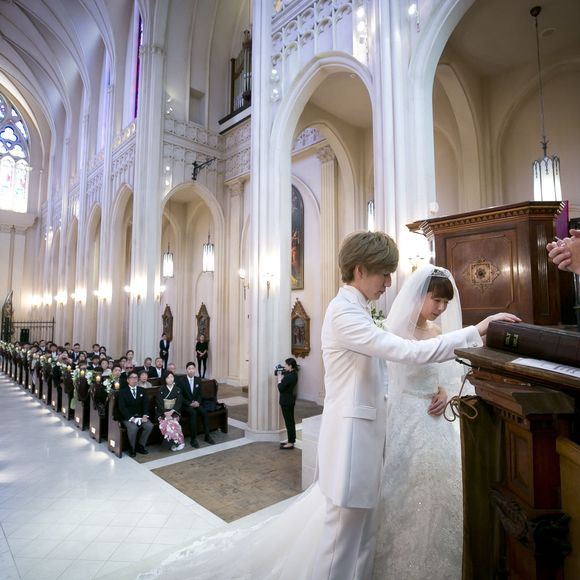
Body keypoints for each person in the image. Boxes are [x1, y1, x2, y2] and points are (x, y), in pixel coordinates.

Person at [139, 231, 519, 580]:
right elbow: (406, 351)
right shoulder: (344, 313)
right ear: (360, 270)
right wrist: (476, 330)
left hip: (367, 439)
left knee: (360, 539)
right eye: (384, 274)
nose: (389, 283)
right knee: (339, 545)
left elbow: (386, 373)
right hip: (352, 443)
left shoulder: (359, 309)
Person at [372, 264, 468, 579]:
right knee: (406, 489)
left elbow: (444, 375)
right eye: (436, 300)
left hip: (436, 420)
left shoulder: (437, 333)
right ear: (419, 295)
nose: (440, 308)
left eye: (445, 302)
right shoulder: (394, 332)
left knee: (442, 489)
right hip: (407, 416)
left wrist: (444, 392)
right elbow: (388, 378)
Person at [177, 361, 215, 448]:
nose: (191, 370)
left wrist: (198, 402)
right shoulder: (181, 381)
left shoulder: (198, 379)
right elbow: (180, 396)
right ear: (186, 370)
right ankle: (193, 439)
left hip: (196, 404)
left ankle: (207, 436)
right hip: (186, 405)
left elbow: (200, 394)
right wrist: (189, 404)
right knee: (193, 413)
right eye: (189, 369)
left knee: (204, 412)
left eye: (193, 369)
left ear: (195, 370)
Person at [118, 371, 153, 457]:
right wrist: (131, 418)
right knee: (133, 428)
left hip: (140, 416)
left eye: (136, 378)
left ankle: (141, 445)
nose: (134, 380)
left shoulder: (142, 390)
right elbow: (122, 408)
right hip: (128, 417)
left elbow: (145, 404)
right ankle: (132, 448)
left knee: (149, 426)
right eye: (132, 378)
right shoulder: (122, 392)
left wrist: (145, 415)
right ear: (128, 380)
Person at [156, 371, 185, 451]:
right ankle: (174, 443)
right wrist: (165, 413)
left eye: (171, 377)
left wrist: (171, 412)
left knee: (173, 423)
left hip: (174, 412)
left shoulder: (178, 390)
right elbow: (159, 403)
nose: (170, 379)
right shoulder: (161, 390)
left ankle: (178, 442)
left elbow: (179, 402)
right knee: (167, 424)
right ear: (165, 379)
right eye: (168, 377)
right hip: (163, 412)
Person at [277, 358, 299, 450]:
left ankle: (290, 443)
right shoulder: (293, 373)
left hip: (286, 402)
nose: (284, 366)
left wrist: (279, 379)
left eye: (286, 364)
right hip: (290, 400)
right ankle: (291, 440)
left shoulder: (289, 376)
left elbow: (281, 388)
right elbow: (285, 374)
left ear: (290, 366)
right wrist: (281, 371)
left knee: (289, 422)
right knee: (290, 421)